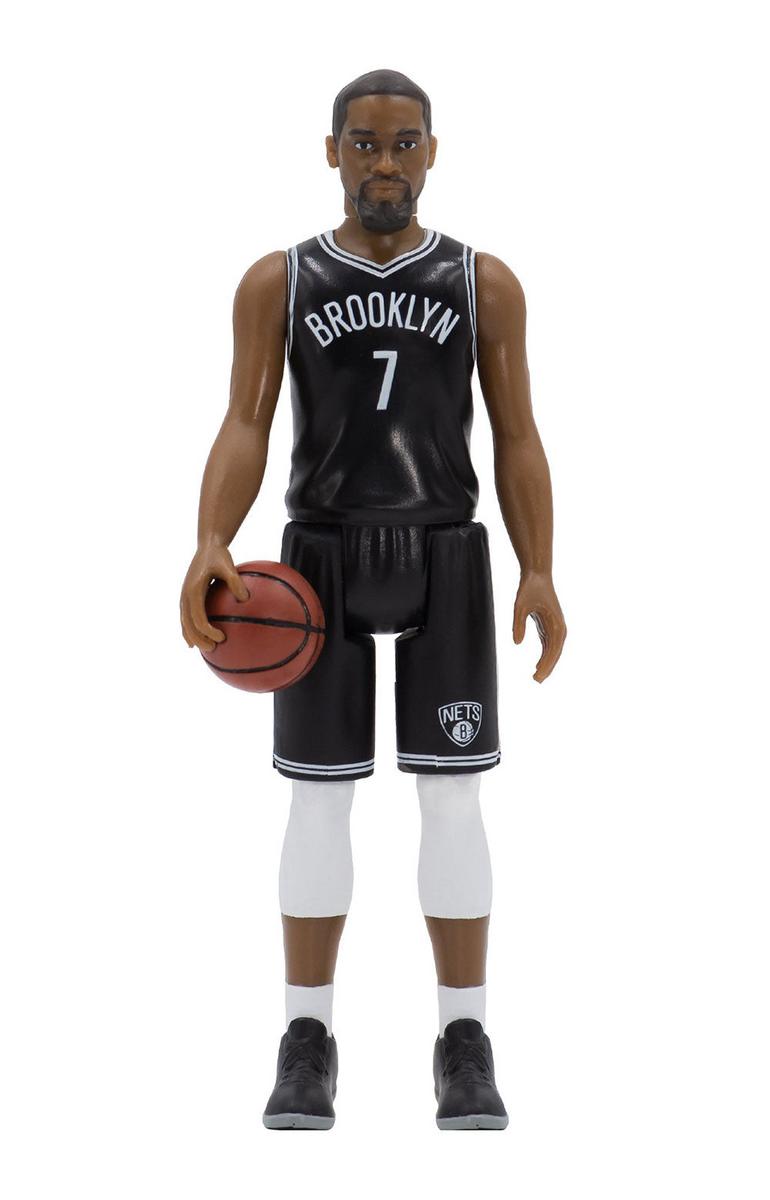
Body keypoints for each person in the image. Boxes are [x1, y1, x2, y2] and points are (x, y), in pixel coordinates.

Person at [180, 68, 566, 1131]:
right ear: (331, 152)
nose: (382, 164)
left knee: (452, 795)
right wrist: (211, 537)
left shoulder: (484, 281)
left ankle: (463, 1039)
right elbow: (246, 422)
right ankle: (306, 1039)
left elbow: (518, 434)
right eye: (363, 144)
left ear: (431, 152)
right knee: (317, 798)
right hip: (319, 560)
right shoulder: (281, 279)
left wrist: (537, 565)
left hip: (445, 549)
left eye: (401, 145)